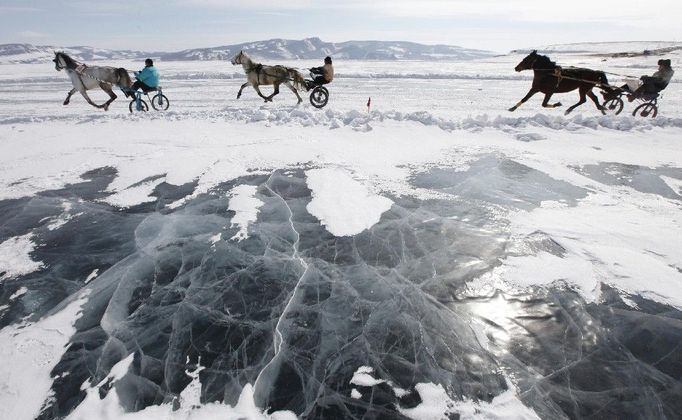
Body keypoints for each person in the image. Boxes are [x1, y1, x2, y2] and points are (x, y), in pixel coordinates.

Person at [604, 59, 674, 102]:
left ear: (665, 66)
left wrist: (648, 78)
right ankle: (610, 95)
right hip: (652, 85)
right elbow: (653, 78)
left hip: (656, 88)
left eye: (661, 65)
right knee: (629, 85)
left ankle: (632, 97)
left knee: (645, 85)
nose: (659, 67)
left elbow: (659, 80)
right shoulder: (659, 72)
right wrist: (646, 77)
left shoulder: (668, 73)